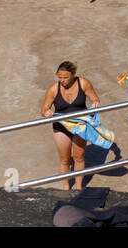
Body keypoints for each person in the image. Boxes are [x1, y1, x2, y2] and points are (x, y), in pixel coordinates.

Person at [41, 62, 101, 191]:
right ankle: (66, 188)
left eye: (65, 77)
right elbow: (44, 108)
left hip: (80, 125)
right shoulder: (53, 89)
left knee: (79, 157)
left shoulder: (83, 83)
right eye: (59, 77)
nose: (62, 80)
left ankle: (78, 187)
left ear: (73, 75)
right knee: (64, 159)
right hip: (61, 127)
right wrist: (47, 112)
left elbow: (95, 99)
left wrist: (95, 104)